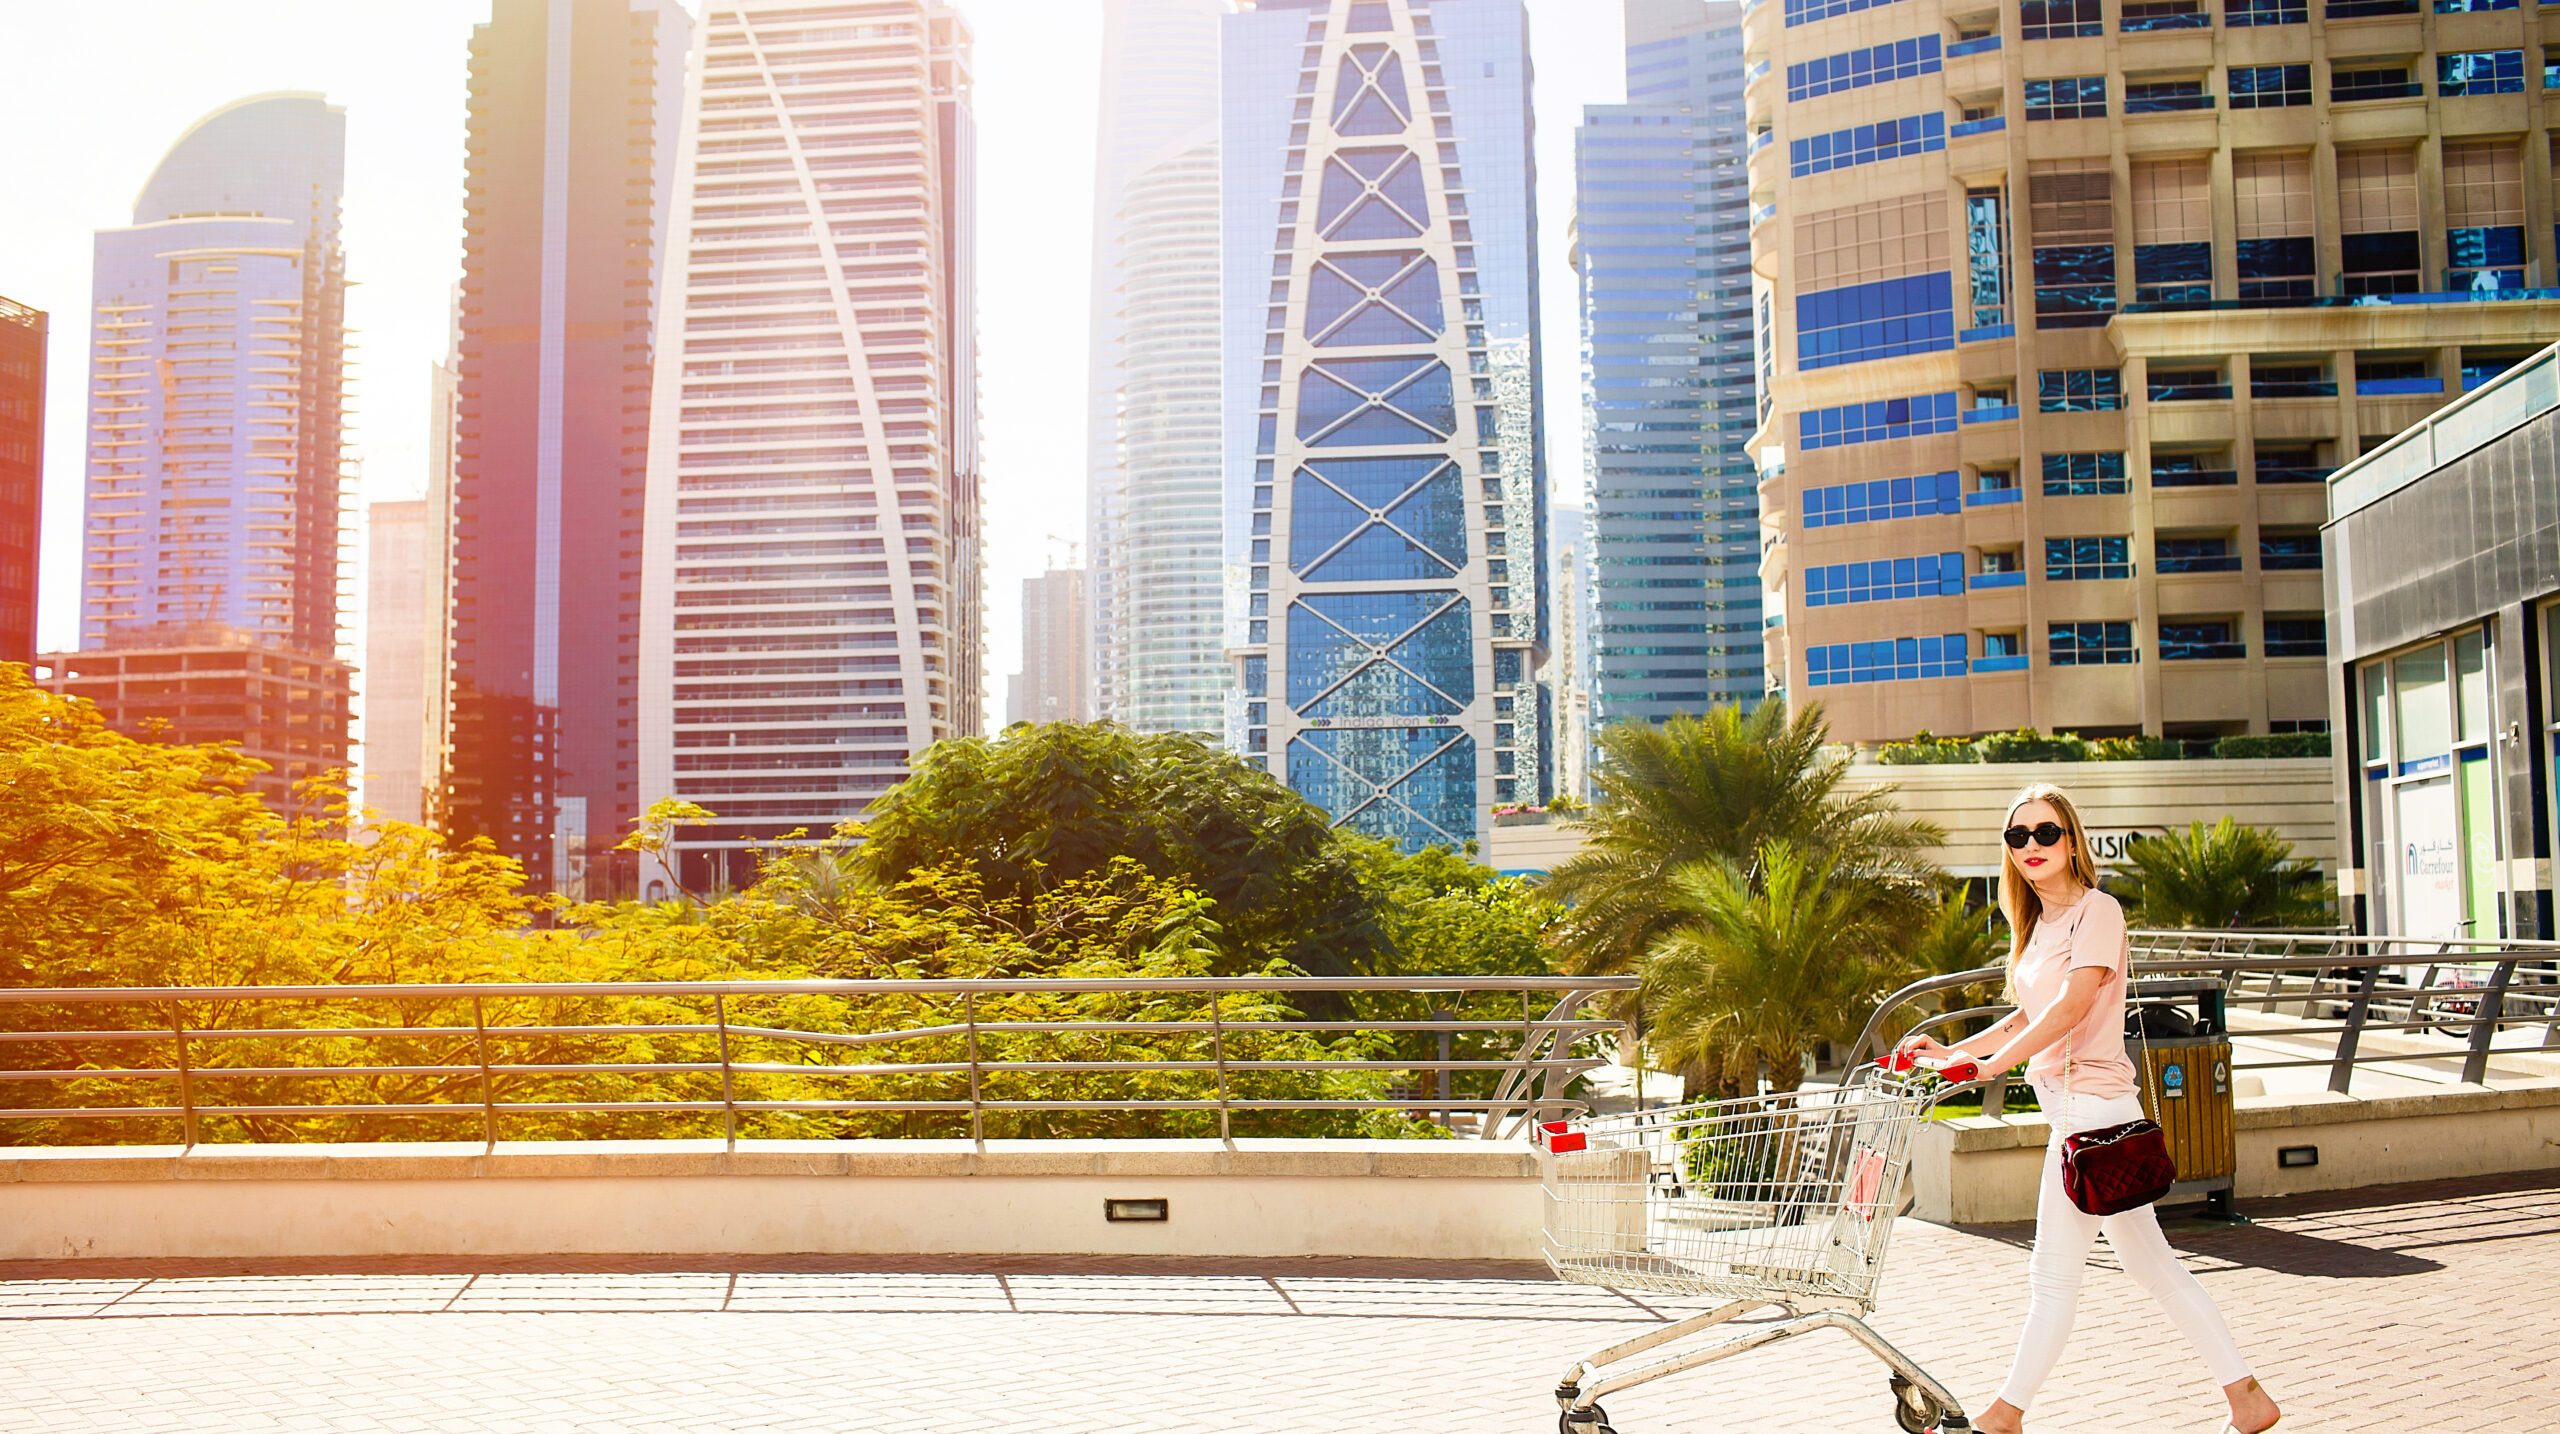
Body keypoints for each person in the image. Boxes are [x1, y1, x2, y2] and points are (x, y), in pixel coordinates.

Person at [1894, 783, 2281, 1434]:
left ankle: (2005, 1415)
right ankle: (2245, 1397)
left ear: (2071, 842)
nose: (2032, 847)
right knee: (2150, 1264)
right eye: (2018, 837)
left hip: (2091, 1113)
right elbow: (2029, 1013)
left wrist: (1994, 1066)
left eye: (2046, 833)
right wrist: (1950, 1051)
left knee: (2052, 1277)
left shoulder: (2096, 910)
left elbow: (2072, 1008)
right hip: (2078, 1111)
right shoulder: (2039, 926)